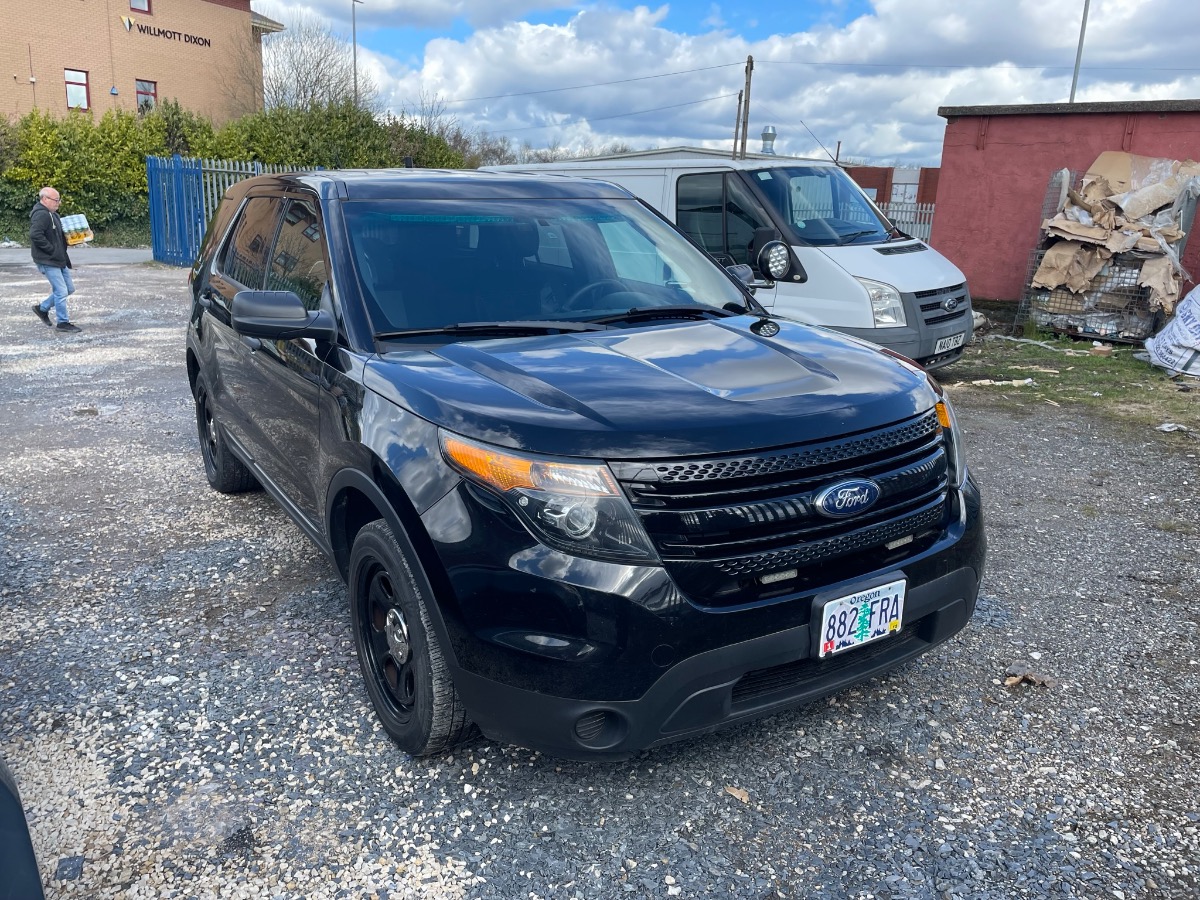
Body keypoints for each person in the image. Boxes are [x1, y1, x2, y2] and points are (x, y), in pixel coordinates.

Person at [30, 187, 81, 333]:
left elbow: (59, 236)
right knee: (61, 290)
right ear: (44, 199)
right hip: (48, 260)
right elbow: (35, 235)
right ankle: (62, 323)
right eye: (55, 200)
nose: (58, 203)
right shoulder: (41, 215)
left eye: (59, 200)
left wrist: (72, 241)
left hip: (59, 259)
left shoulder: (54, 215)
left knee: (69, 289)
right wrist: (51, 250)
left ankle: (42, 308)